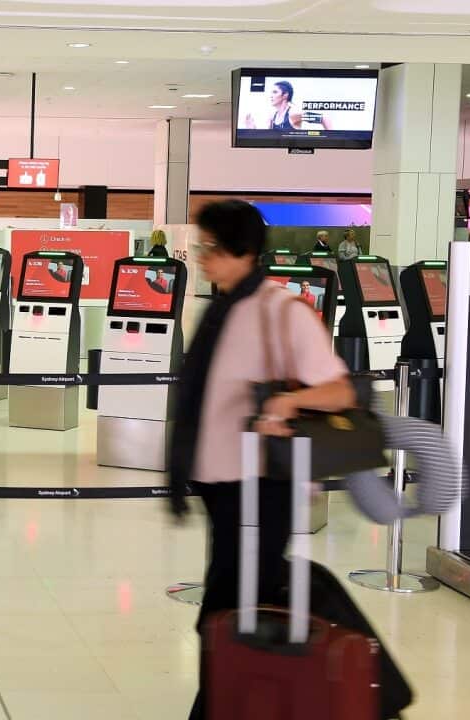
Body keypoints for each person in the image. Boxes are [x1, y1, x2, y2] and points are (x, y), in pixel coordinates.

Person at [166, 200, 356, 720]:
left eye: (209, 247)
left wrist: (287, 402)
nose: (201, 257)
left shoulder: (282, 311)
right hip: (224, 488)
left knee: (225, 613)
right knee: (235, 606)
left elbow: (340, 392)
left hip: (263, 486)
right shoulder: (222, 306)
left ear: (242, 250)